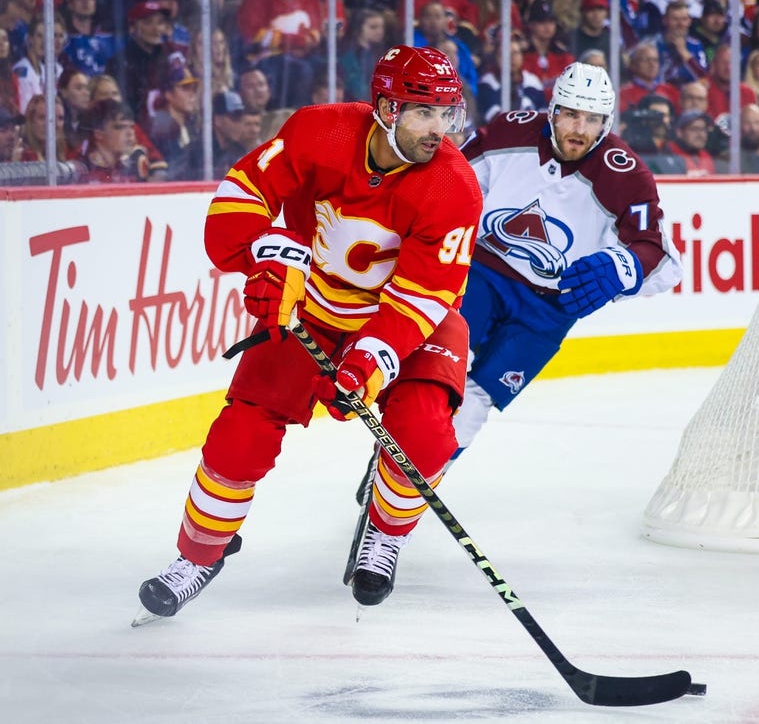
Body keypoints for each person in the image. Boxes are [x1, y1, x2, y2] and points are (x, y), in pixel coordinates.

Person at [134, 45, 482, 622]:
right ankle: (199, 555)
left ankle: (386, 532)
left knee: (423, 436)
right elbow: (241, 197)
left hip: (409, 319)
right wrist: (263, 260)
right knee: (239, 436)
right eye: (424, 112)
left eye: (446, 113)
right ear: (386, 109)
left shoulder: (455, 186)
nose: (438, 128)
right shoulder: (318, 133)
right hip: (312, 311)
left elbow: (422, 296)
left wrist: (372, 360)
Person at [450, 61, 682, 462]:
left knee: (477, 398)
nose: (579, 129)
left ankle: (412, 483)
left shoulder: (626, 176)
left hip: (549, 306)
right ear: (553, 110)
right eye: (571, 114)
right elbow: (450, 184)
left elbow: (660, 257)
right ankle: (398, 466)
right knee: (444, 370)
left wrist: (622, 268)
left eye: (592, 119)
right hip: (483, 273)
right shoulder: (508, 131)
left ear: (606, 122)